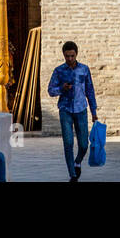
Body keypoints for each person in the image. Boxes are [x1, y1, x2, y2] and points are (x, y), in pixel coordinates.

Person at [46, 40, 98, 182]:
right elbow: (50, 91)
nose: (69, 59)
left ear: (76, 54)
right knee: (68, 142)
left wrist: (94, 111)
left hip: (81, 109)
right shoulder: (59, 71)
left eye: (72, 56)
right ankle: (73, 174)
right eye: (67, 56)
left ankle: (77, 162)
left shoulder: (84, 69)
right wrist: (61, 89)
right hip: (65, 110)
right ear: (63, 55)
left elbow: (90, 91)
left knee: (83, 144)